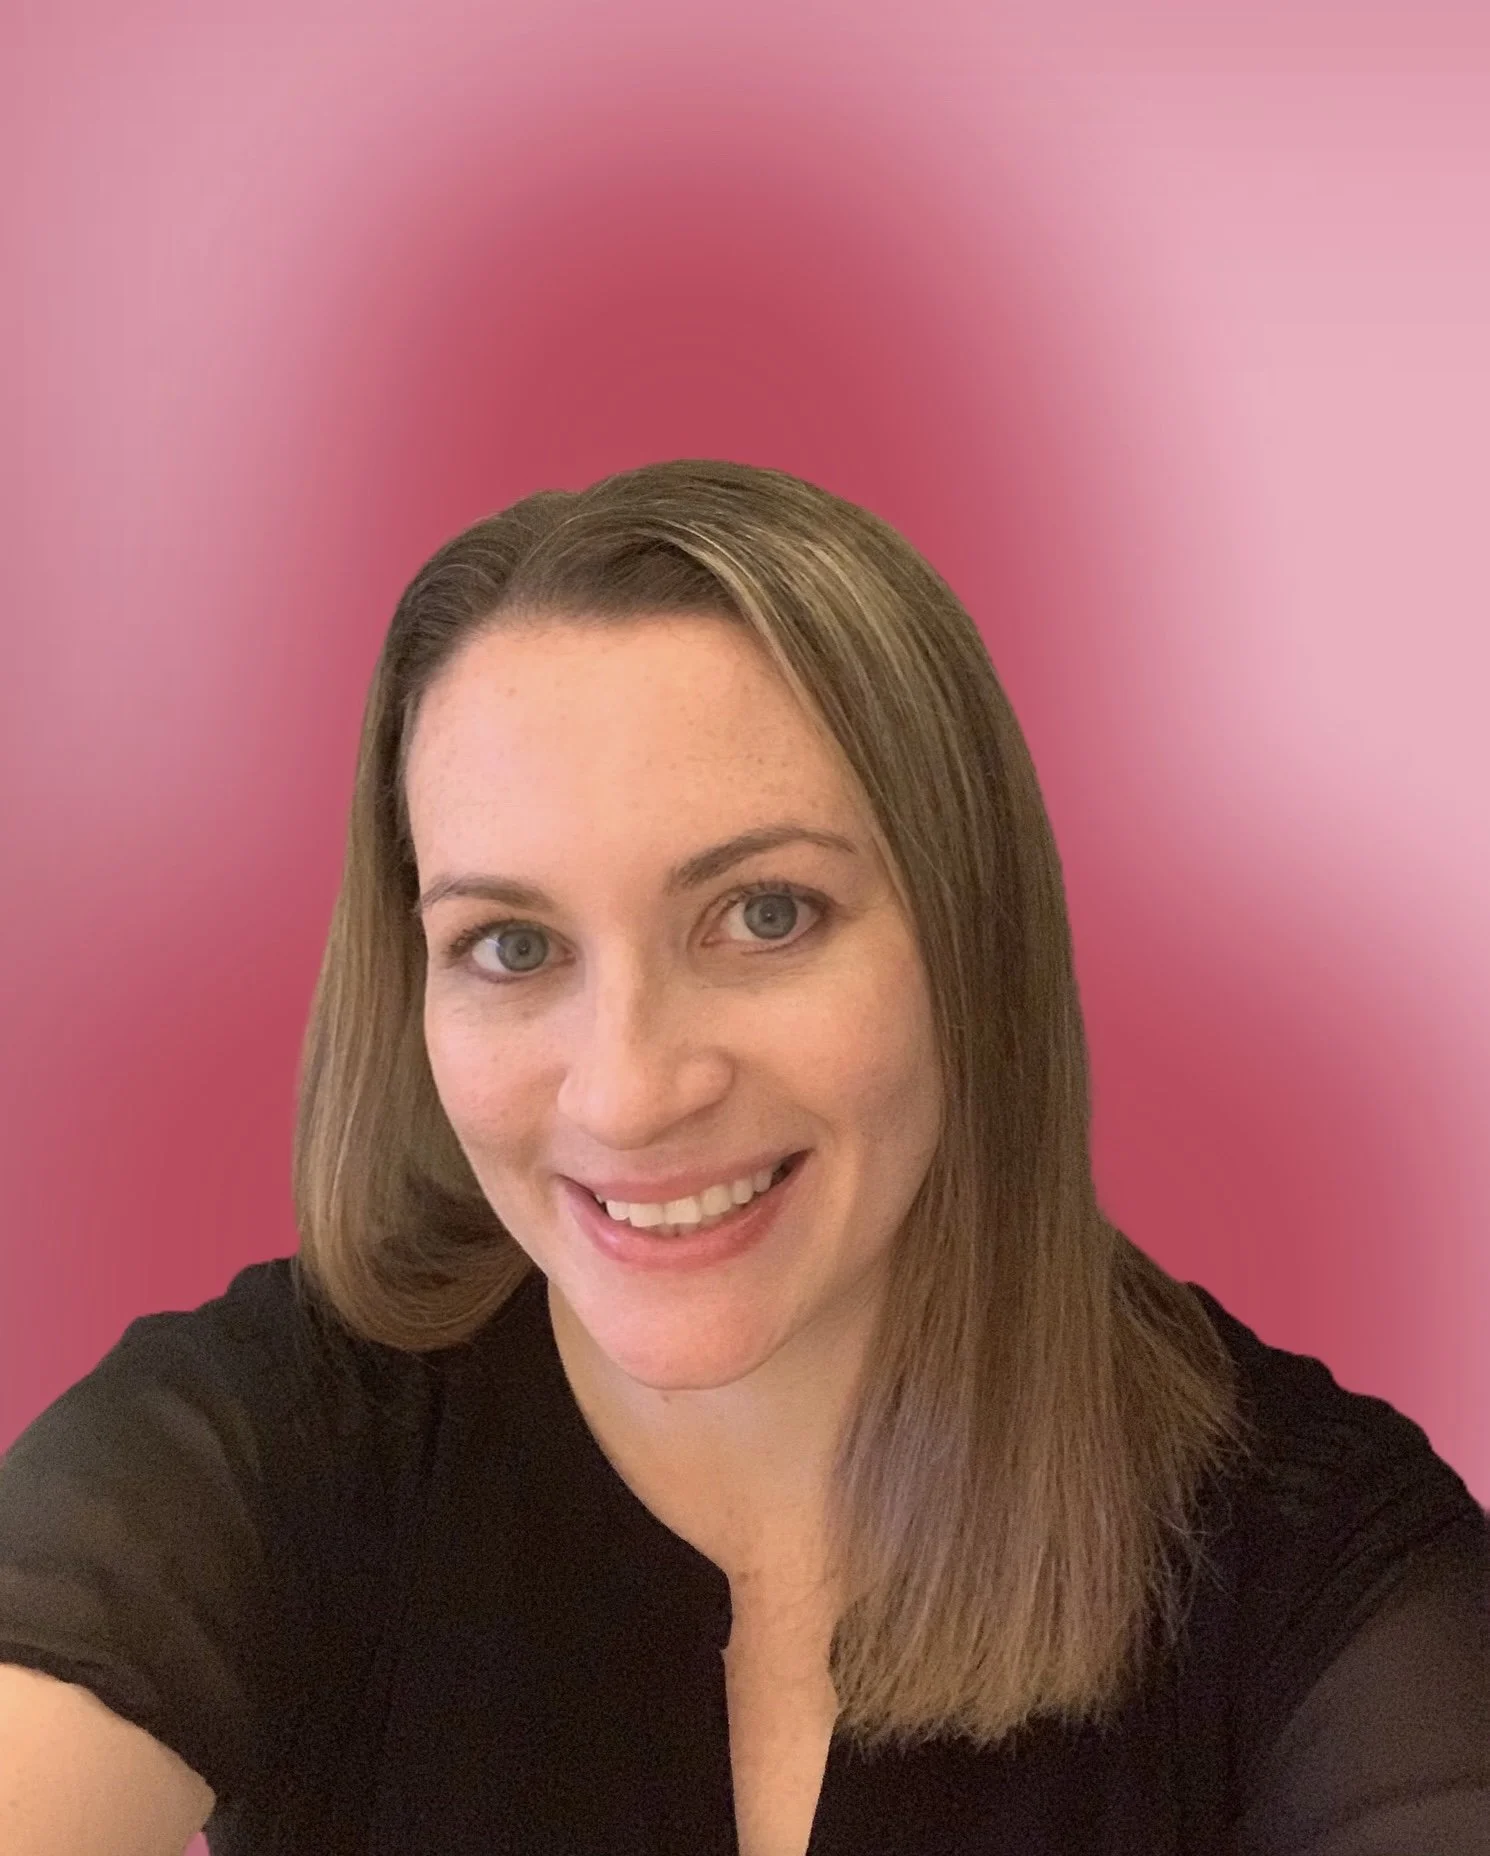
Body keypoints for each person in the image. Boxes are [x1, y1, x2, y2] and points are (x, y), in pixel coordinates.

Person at [0, 458, 1485, 1856]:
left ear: (971, 943)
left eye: (766, 914)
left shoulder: (1323, 1565)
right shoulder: (263, 1443)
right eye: (511, 944)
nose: (630, 1092)